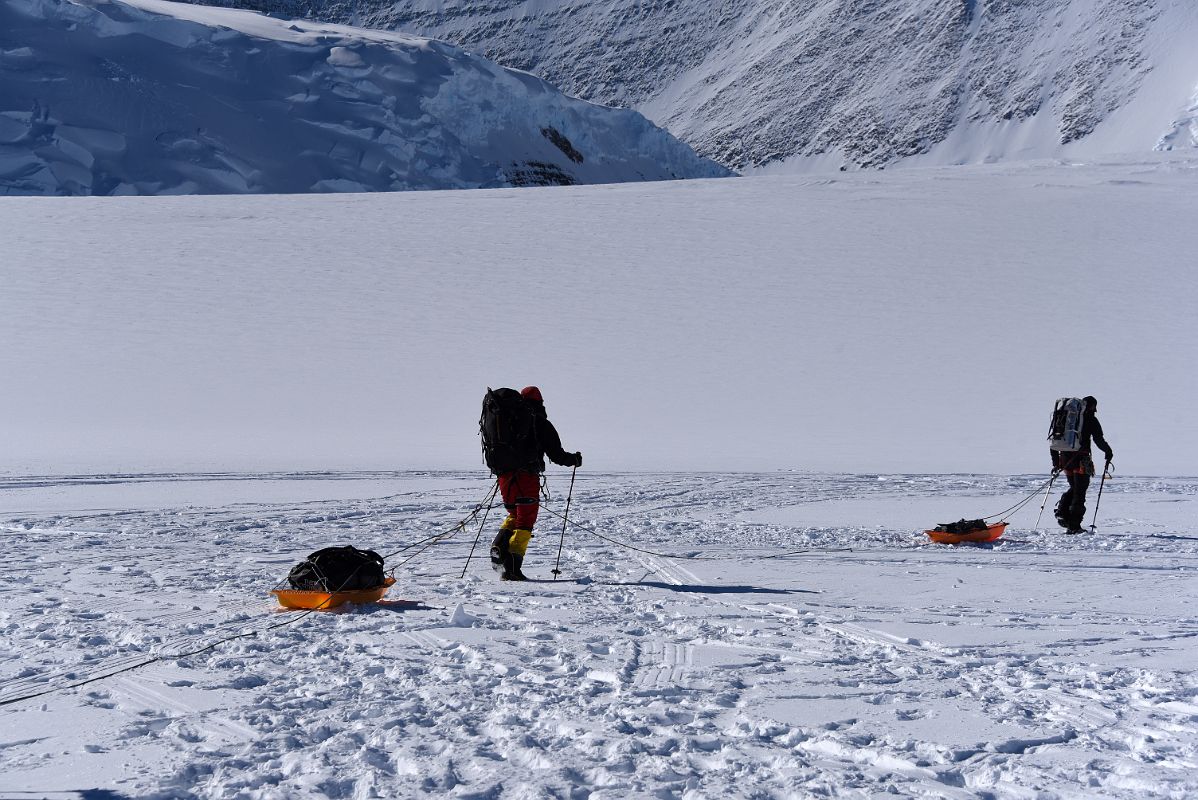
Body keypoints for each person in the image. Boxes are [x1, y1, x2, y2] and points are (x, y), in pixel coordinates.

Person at [490, 386, 582, 580]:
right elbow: (556, 455)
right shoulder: (539, 422)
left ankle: (499, 545)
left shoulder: (509, 420)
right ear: (540, 403)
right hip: (526, 477)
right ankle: (512, 568)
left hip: (504, 477)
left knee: (515, 513)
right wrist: (573, 459)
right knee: (525, 521)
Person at [1051, 396, 1113, 533]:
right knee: (1079, 492)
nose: (1095, 410)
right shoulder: (1091, 419)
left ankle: (1063, 512)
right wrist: (1108, 452)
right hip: (1081, 460)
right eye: (1094, 407)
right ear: (1090, 407)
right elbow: (1098, 440)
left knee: (1075, 488)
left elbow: (1054, 440)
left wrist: (1056, 462)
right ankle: (1073, 526)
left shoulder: (1066, 419)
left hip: (1065, 460)